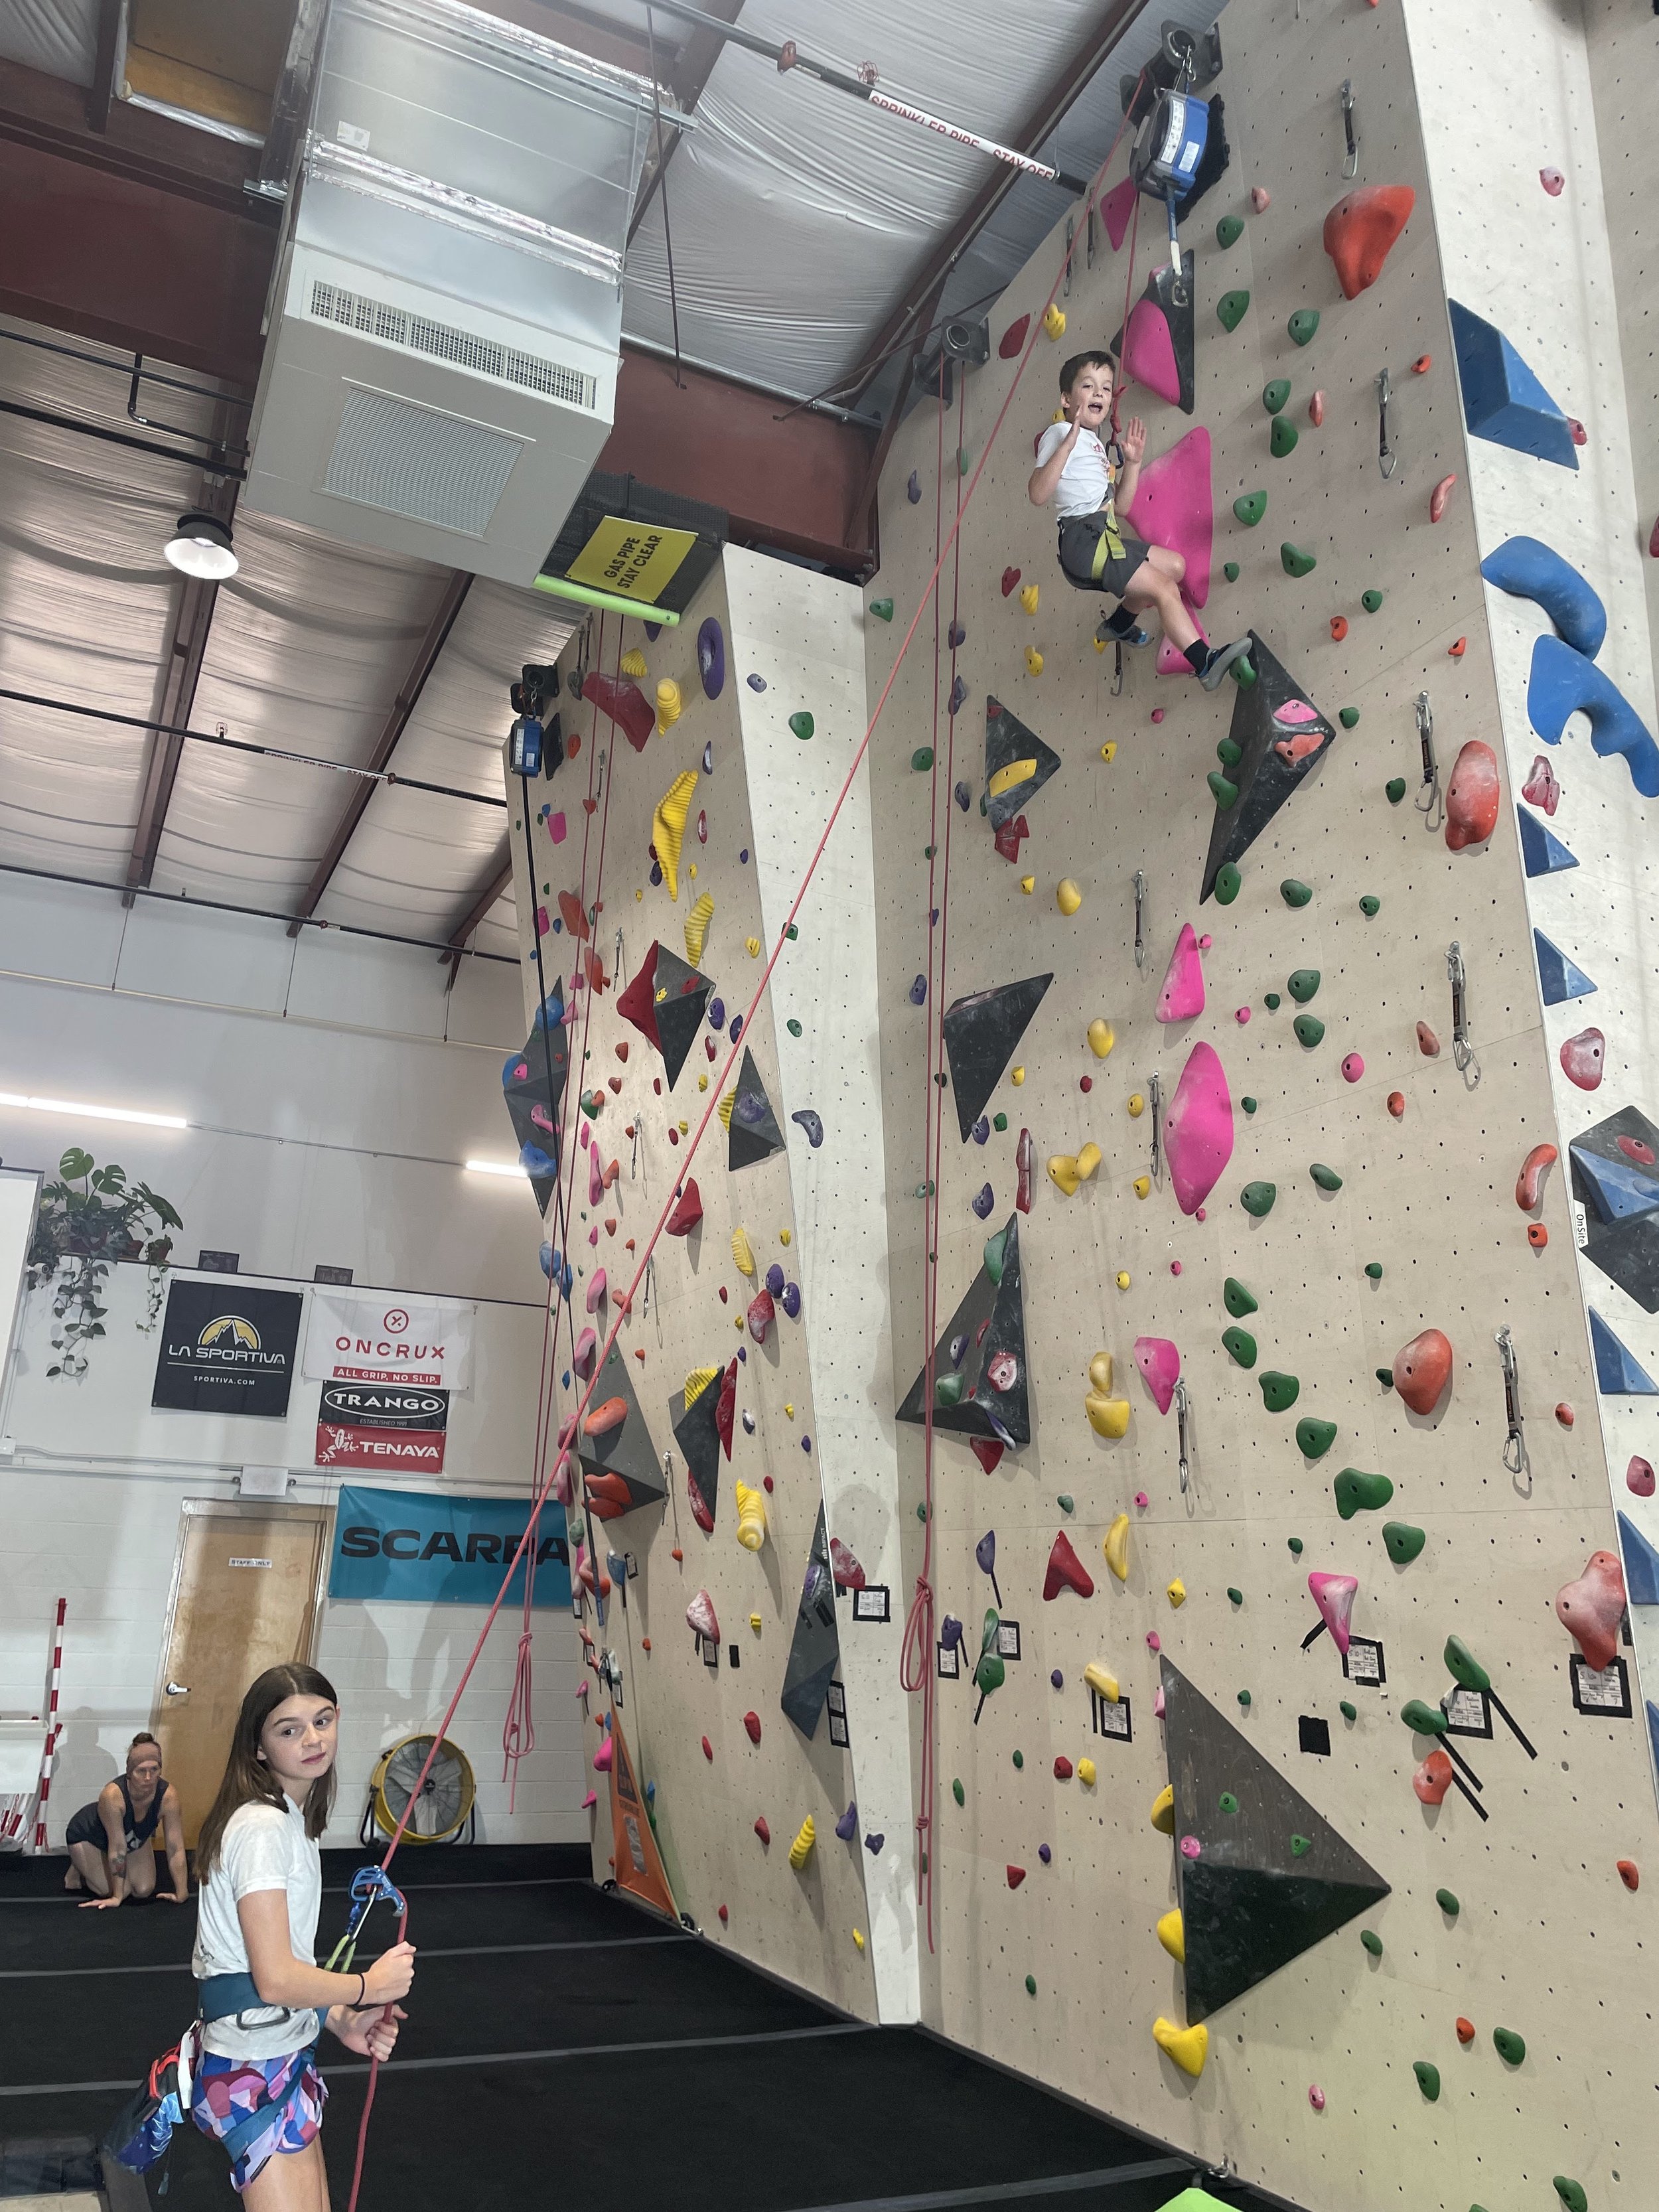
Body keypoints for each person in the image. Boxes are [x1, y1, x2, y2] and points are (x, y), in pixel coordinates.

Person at [190, 1665, 415, 2206]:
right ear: (259, 1747)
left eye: (322, 1720)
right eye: (289, 1729)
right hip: (252, 2064)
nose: (313, 1738)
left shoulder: (291, 1819)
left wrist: (340, 2018)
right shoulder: (263, 1827)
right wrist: (367, 1986)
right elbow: (274, 1978)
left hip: (280, 2052)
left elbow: (283, 1962)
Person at [1029, 349, 1253, 690]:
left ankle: (1120, 624)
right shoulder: (1059, 434)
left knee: (1175, 567)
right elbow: (1037, 494)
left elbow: (1120, 507)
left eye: (1105, 388)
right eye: (1088, 386)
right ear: (1066, 399)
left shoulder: (1095, 446)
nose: (1099, 393)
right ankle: (1205, 663)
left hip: (1103, 534)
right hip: (1083, 540)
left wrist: (1132, 463)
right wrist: (1066, 445)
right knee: (1164, 589)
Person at [64, 1732, 189, 1907]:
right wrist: (116, 1897)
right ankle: (78, 1865)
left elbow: (175, 1847)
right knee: (121, 1891)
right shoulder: (112, 1796)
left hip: (131, 1837)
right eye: (141, 1771)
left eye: (154, 1770)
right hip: (89, 1837)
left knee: (143, 1890)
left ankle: (96, 1863)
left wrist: (182, 1892)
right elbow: (118, 1848)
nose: (148, 1778)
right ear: (130, 1773)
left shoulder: (168, 1796)